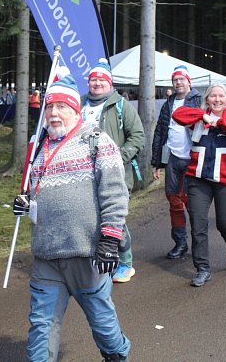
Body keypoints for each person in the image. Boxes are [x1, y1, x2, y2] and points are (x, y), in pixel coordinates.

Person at [13, 74, 131, 362]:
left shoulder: (98, 142)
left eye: (61, 107)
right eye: (49, 107)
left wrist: (110, 240)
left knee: (102, 323)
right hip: (47, 255)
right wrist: (25, 203)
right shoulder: (38, 150)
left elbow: (115, 195)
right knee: (41, 326)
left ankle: (117, 356)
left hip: (86, 253)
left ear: (76, 110)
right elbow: (36, 192)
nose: (53, 113)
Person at [172, 85, 226, 287]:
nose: (217, 99)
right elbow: (178, 115)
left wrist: (218, 121)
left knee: (225, 223)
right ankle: (203, 268)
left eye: (221, 95)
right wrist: (203, 116)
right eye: (212, 96)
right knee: (198, 224)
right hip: (198, 178)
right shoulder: (199, 117)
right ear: (207, 99)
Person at [81, 59, 145, 283]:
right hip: (84, 173)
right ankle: (97, 256)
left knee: (114, 217)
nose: (97, 83)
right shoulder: (80, 105)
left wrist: (117, 158)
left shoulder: (121, 105)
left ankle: (125, 262)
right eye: (93, 80)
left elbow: (138, 137)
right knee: (90, 216)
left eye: (101, 80)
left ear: (109, 83)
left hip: (115, 174)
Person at [151, 65, 203, 259]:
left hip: (193, 158)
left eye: (182, 79)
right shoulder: (168, 103)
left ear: (189, 81)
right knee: (173, 201)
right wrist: (156, 162)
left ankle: (199, 243)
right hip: (173, 158)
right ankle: (180, 243)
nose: (179, 82)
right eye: (175, 80)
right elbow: (159, 132)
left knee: (193, 203)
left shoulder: (198, 101)